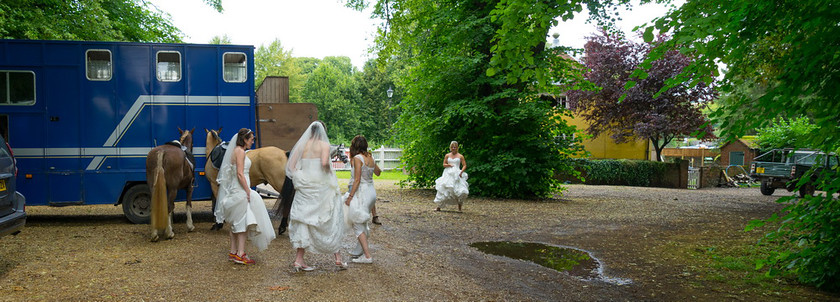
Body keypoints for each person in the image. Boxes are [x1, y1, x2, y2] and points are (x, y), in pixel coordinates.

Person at [286, 121, 348, 271]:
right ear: (323, 132)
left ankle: (298, 260)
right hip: (321, 185)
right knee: (330, 218)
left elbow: (291, 166)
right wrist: (329, 171)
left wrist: (301, 176)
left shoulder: (302, 145)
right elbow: (325, 163)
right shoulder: (324, 145)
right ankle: (338, 258)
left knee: (304, 220)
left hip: (305, 187)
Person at [214, 128, 276, 265]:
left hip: (234, 189)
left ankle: (233, 251)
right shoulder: (240, 152)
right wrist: (248, 191)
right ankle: (241, 254)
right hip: (240, 190)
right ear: (244, 139)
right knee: (243, 222)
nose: (252, 142)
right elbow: (240, 174)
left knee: (234, 222)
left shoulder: (235, 151)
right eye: (251, 139)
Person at [343, 135, 381, 263]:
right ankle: (359, 250)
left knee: (357, 222)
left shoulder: (357, 158)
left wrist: (350, 196)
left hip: (362, 193)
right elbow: (378, 172)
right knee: (362, 220)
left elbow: (357, 180)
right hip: (371, 192)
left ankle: (367, 256)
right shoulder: (370, 157)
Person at [434, 141, 469, 212]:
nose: (454, 148)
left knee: (459, 189)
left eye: (455, 147)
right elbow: (444, 164)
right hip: (448, 173)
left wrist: (461, 171)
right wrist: (449, 165)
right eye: (452, 147)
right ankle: (439, 206)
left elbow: (464, 165)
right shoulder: (447, 155)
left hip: (457, 173)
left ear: (457, 148)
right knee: (444, 188)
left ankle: (459, 208)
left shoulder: (460, 156)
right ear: (450, 148)